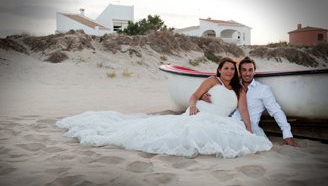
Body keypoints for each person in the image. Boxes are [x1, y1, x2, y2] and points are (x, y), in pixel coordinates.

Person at [56, 57, 272, 158]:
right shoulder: (211, 81)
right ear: (219, 70)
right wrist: (193, 106)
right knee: (188, 130)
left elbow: (243, 110)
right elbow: (194, 96)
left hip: (219, 119)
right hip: (199, 113)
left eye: (231, 69)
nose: (229, 72)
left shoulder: (239, 90)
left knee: (224, 135)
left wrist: (249, 128)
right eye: (225, 69)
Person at [201, 56, 300, 147]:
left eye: (250, 70)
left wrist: (287, 135)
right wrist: (202, 96)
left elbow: (276, 111)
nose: (247, 73)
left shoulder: (263, 89)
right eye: (244, 70)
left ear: (254, 71)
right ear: (239, 72)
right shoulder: (232, 87)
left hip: (248, 129)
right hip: (228, 125)